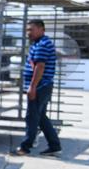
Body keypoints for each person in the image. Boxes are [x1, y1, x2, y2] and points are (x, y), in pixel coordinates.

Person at [12, 19, 61, 157]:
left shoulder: (42, 45)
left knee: (32, 117)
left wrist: (32, 87)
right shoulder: (38, 43)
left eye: (31, 29)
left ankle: (25, 147)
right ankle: (55, 146)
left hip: (40, 86)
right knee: (41, 117)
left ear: (41, 29)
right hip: (42, 85)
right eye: (27, 30)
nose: (28, 33)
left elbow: (40, 67)